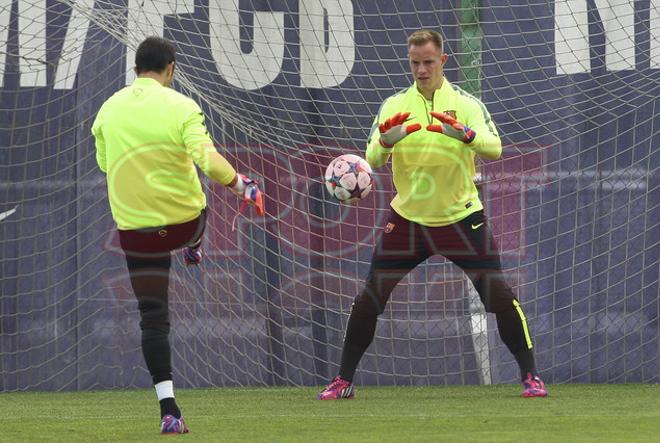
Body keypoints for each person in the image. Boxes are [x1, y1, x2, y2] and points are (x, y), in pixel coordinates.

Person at [318, 29, 547, 400]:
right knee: (370, 298)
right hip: (408, 221)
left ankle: (531, 377)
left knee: (499, 296)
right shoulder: (394, 105)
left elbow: (496, 150)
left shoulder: (466, 103)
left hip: (461, 219)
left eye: (428, 62)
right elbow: (372, 159)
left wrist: (466, 135)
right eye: (415, 63)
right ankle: (343, 380)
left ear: (443, 60)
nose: (421, 69)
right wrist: (386, 142)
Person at [91, 36, 264, 434]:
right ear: (170, 69)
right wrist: (243, 185)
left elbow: (104, 163)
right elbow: (206, 157)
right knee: (202, 205)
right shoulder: (182, 106)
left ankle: (169, 410)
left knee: (153, 319)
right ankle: (194, 246)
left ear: (136, 69)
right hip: (184, 221)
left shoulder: (107, 109)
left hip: (136, 233)